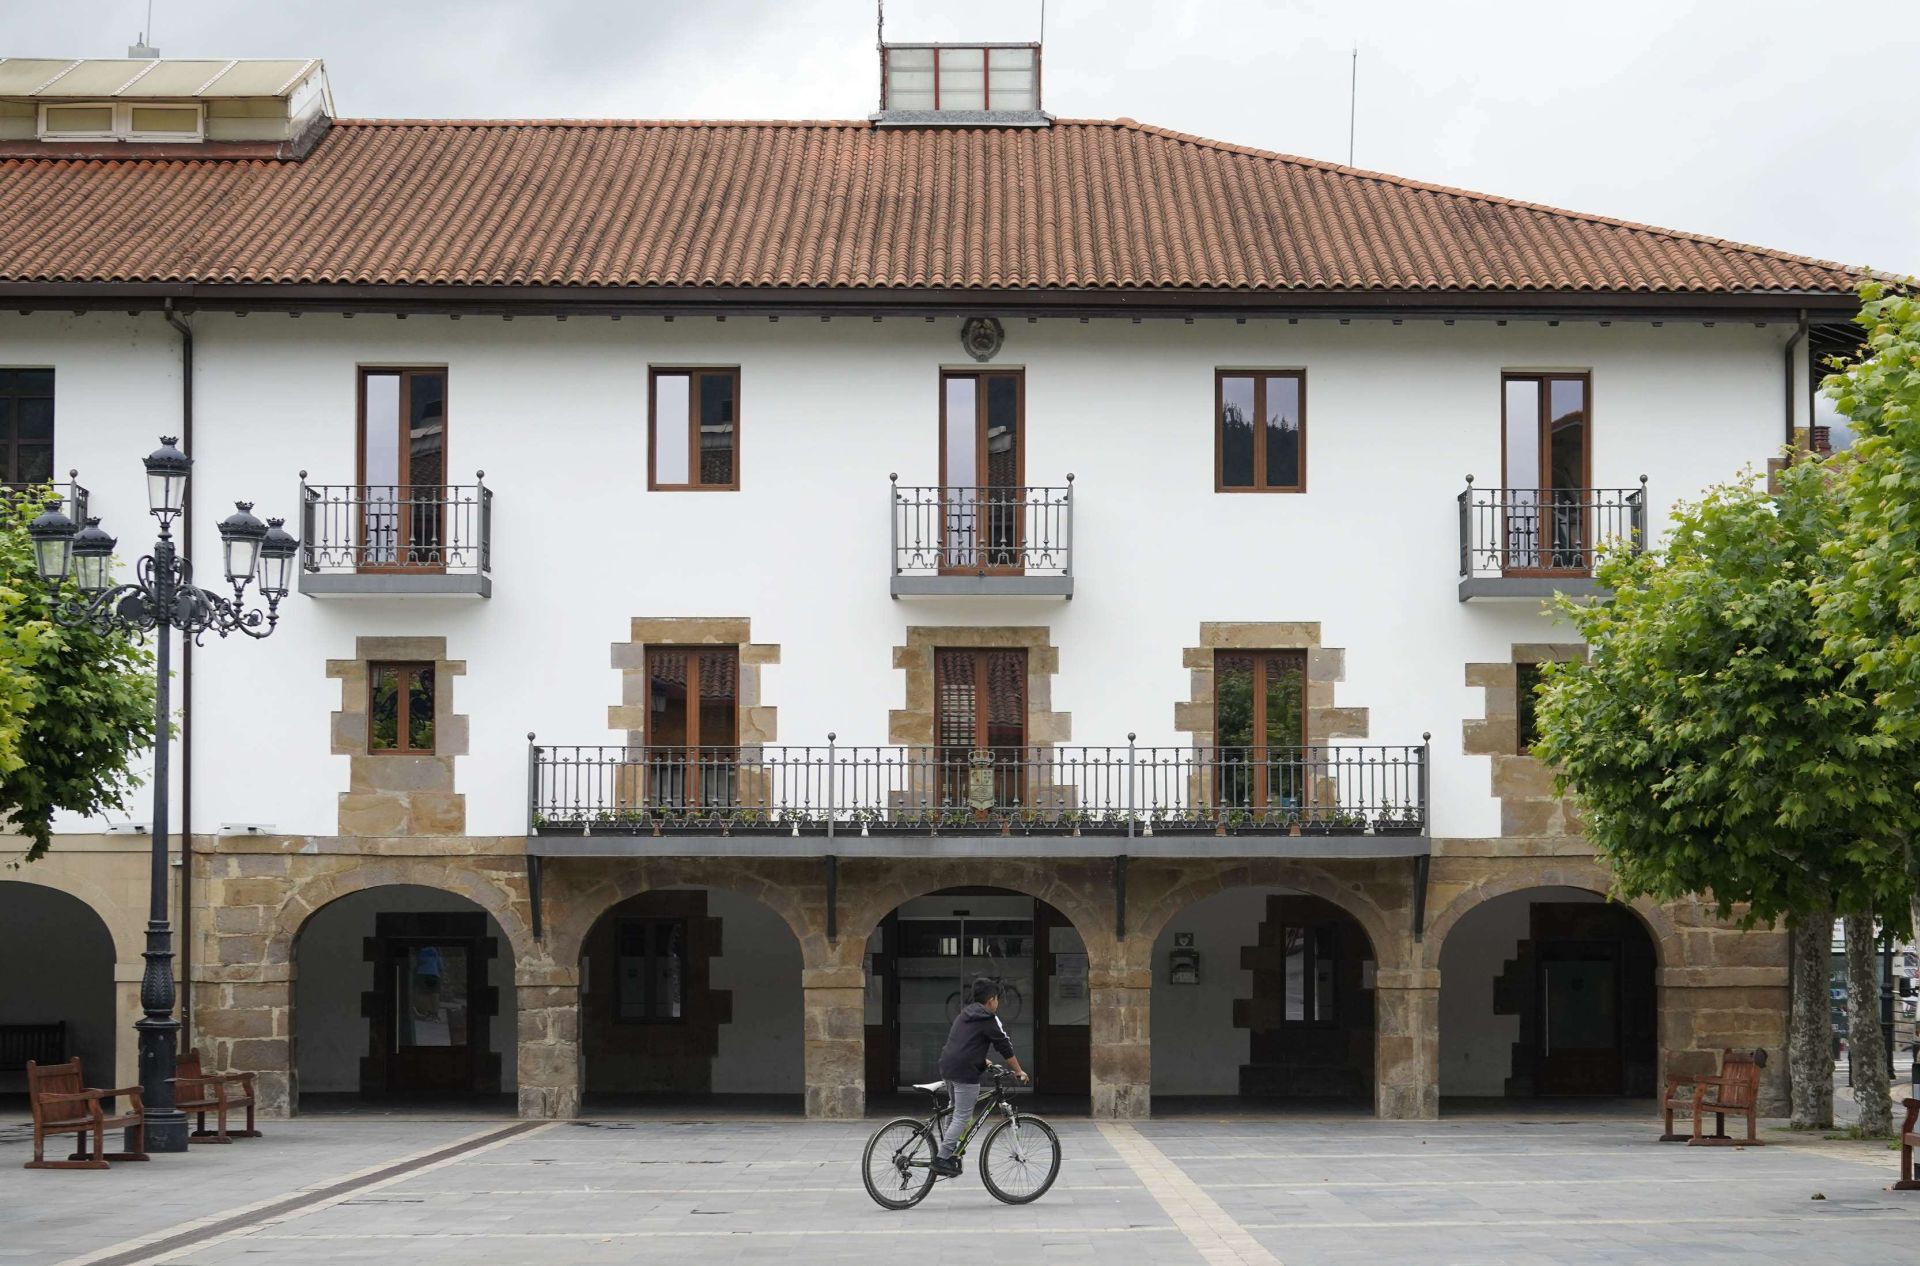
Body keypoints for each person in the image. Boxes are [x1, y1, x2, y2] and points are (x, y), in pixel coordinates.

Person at [931, 977, 1027, 1177]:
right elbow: (1004, 1046)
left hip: (948, 1066)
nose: (997, 1003)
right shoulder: (988, 1019)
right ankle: (942, 1157)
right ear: (991, 1000)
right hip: (964, 1072)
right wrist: (1018, 1071)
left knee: (954, 1109)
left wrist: (983, 1061)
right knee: (962, 1115)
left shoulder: (964, 1015)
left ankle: (948, 1153)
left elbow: (964, 1044)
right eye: (997, 999)